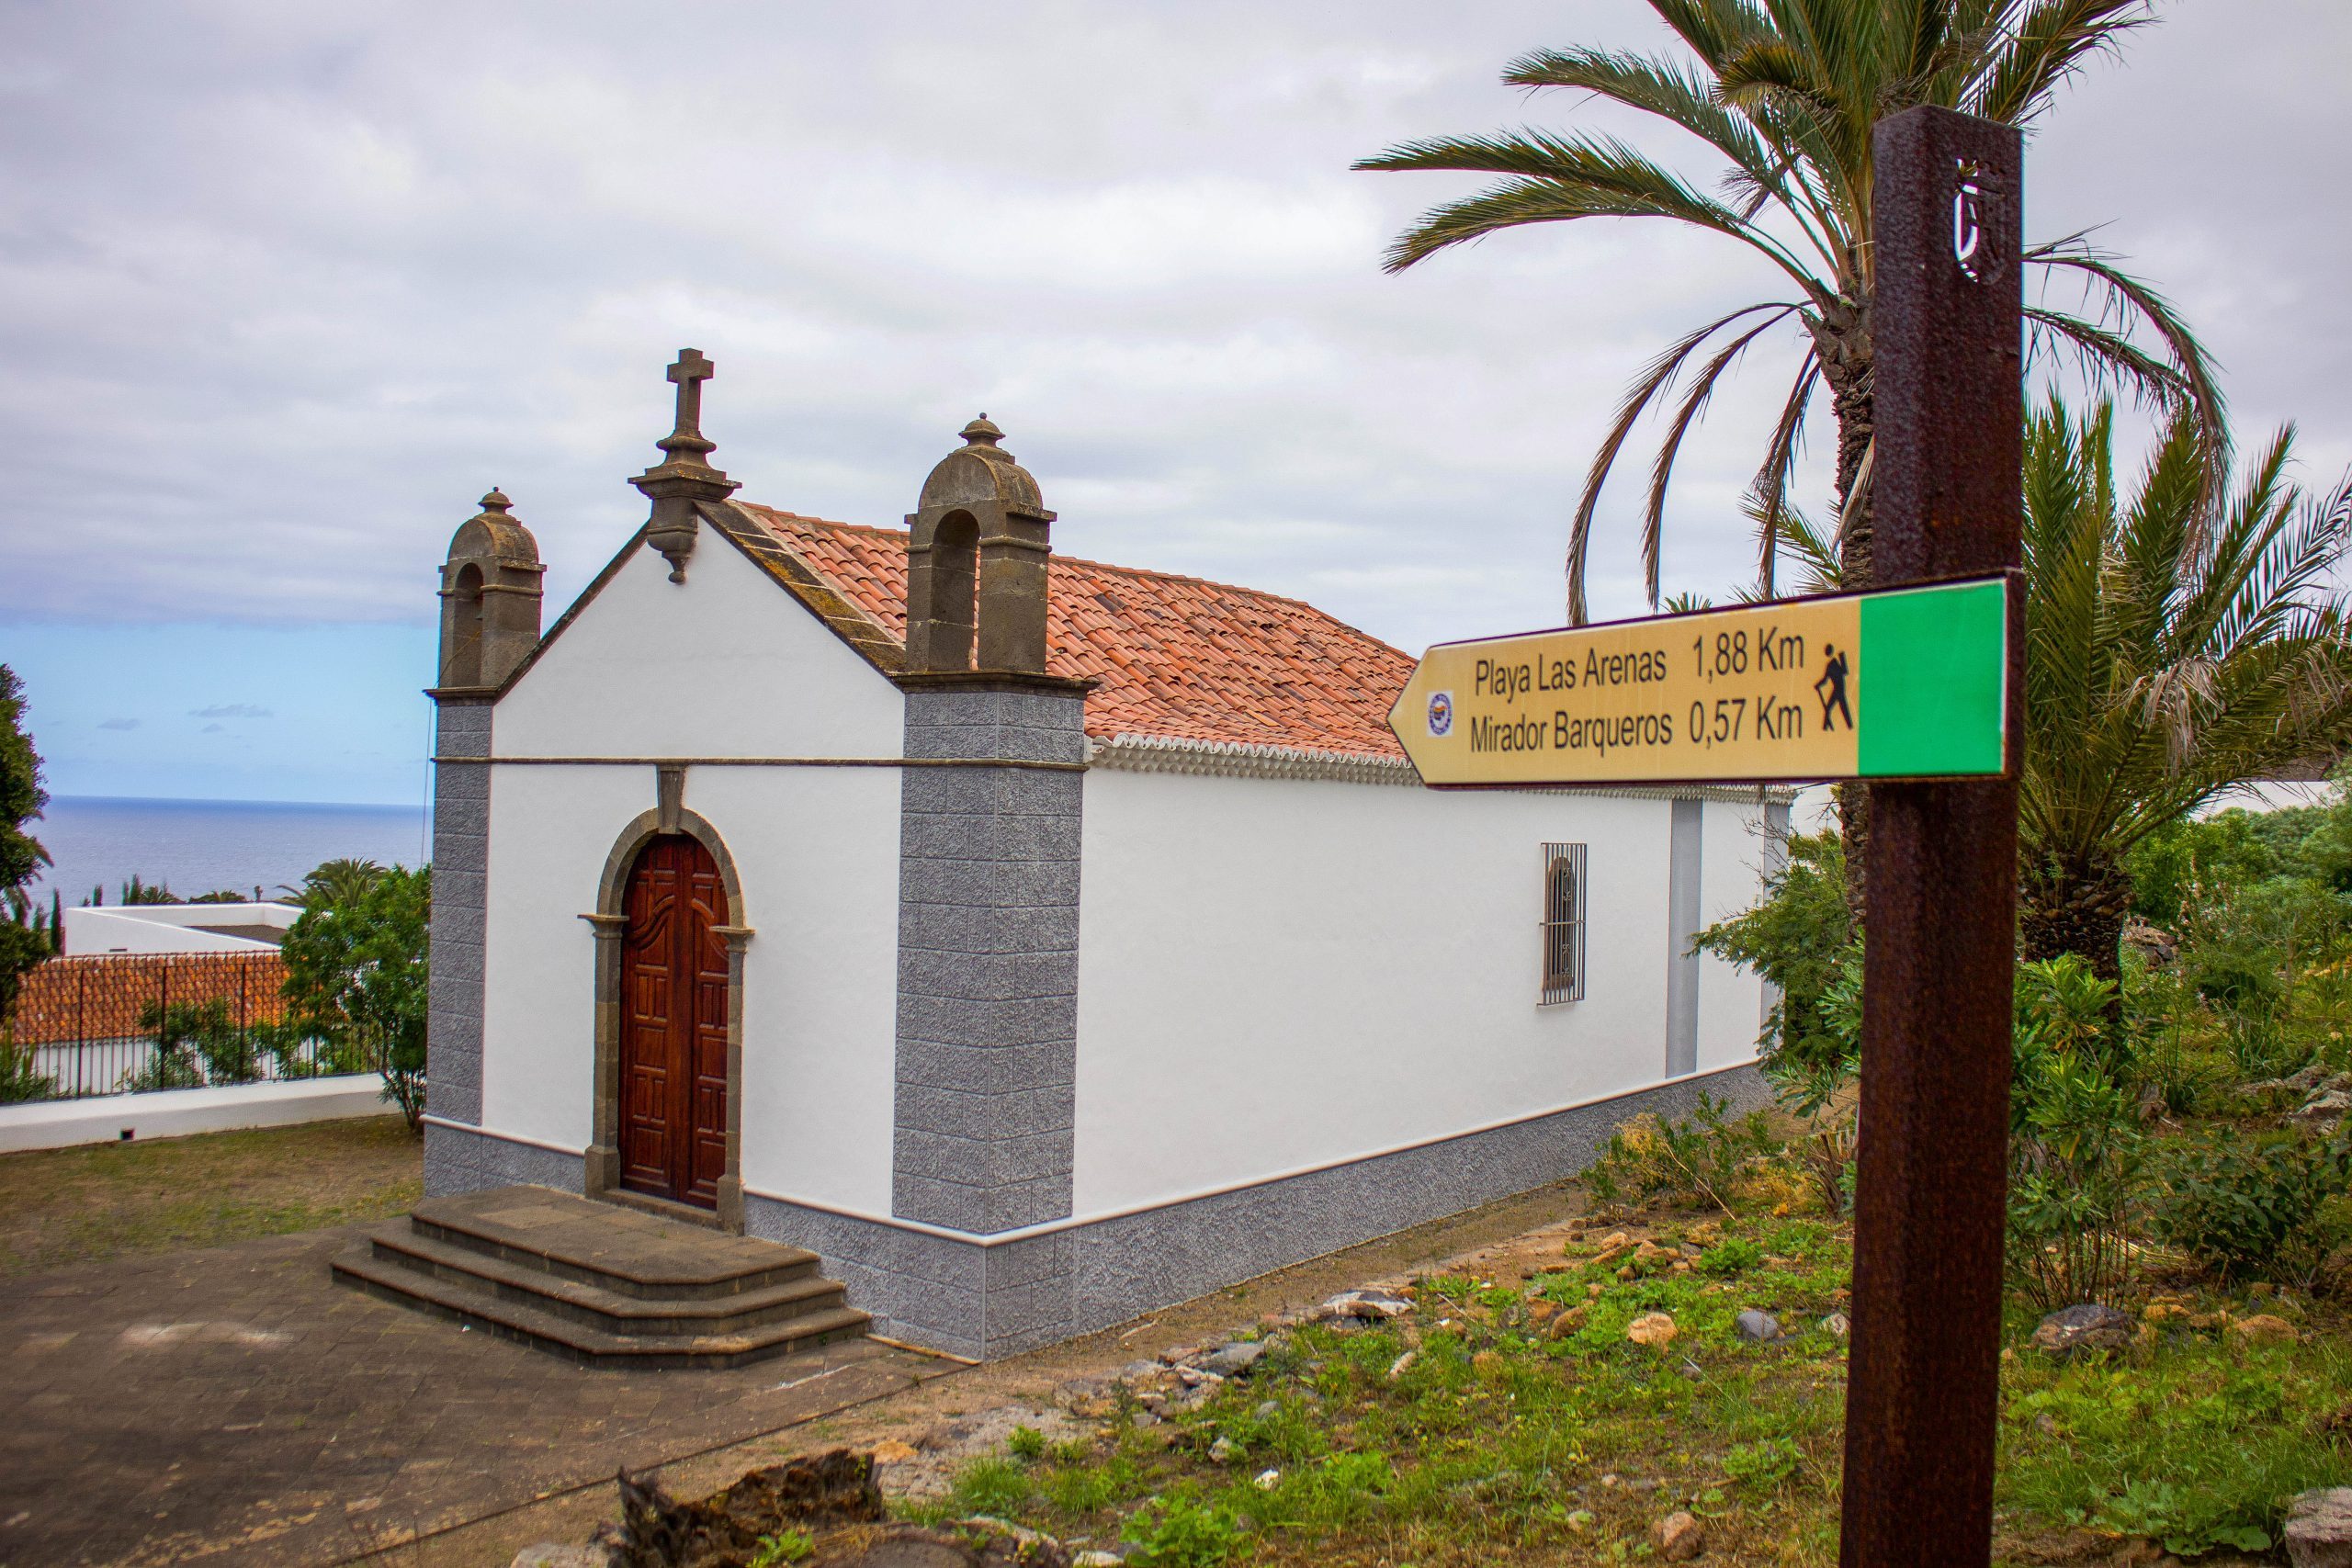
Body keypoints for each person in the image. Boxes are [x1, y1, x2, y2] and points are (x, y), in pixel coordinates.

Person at [1815, 644, 1852, 733]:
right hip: (1837, 689)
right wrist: (1818, 685)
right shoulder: (1829, 665)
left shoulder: (1834, 663)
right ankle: (1825, 729)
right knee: (1833, 708)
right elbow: (1825, 680)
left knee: (1840, 708)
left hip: (1839, 688)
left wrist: (1818, 685)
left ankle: (1826, 728)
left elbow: (1843, 672)